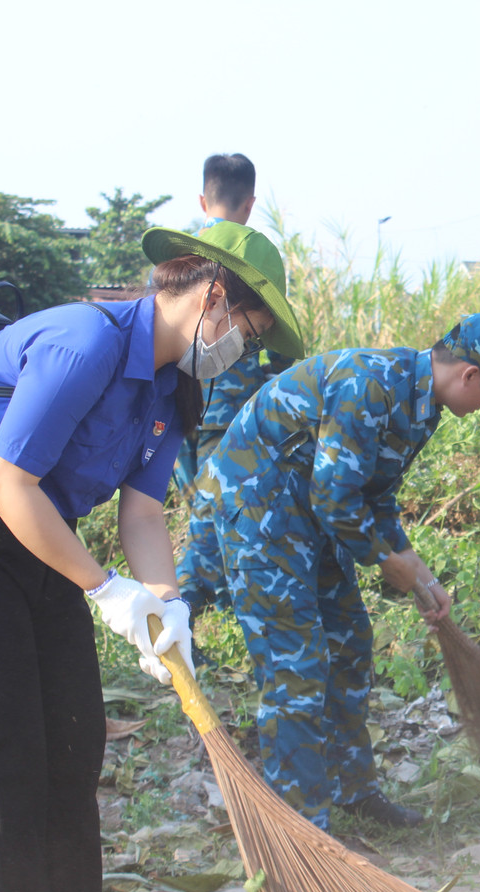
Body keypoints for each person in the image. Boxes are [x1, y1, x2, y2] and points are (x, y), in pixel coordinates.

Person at [0, 222, 302, 892]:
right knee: (3, 753)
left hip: (39, 536)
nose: (243, 347)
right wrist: (106, 589)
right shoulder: (87, 343)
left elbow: (143, 515)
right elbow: (7, 480)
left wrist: (165, 605)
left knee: (73, 739)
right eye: (248, 327)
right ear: (213, 295)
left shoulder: (174, 393)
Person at [197, 314, 480, 833]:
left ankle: (352, 791)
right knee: (297, 665)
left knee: (350, 644)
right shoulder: (370, 382)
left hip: (310, 512)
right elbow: (334, 496)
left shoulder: (424, 405)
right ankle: (301, 825)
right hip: (261, 505)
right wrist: (384, 560)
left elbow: (372, 494)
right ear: (471, 375)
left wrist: (415, 567)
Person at [174, 154, 291, 625]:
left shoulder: (176, 257)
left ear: (203, 198)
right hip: (231, 409)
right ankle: (195, 601)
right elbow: (280, 347)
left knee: (198, 502)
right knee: (220, 505)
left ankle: (203, 602)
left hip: (177, 403)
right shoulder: (255, 262)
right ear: (250, 204)